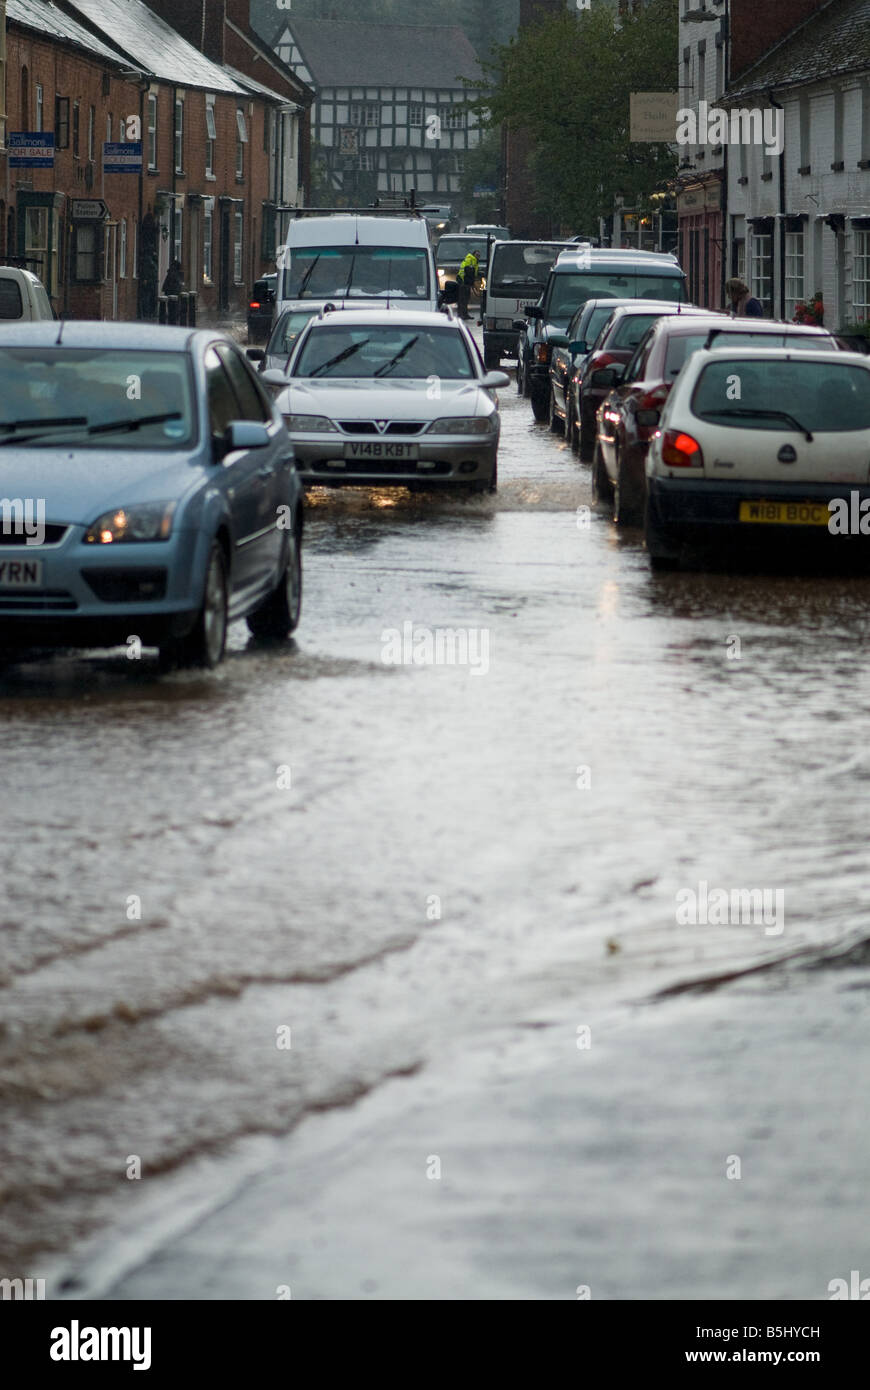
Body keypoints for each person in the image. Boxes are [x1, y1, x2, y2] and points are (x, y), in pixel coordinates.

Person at [456, 249, 480, 320]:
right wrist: (471, 282)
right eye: (477, 255)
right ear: (474, 255)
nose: (478, 256)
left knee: (466, 299)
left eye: (479, 255)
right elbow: (468, 272)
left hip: (466, 282)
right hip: (463, 281)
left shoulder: (474, 261)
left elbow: (473, 273)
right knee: (462, 299)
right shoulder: (471, 260)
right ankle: (461, 314)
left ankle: (464, 314)